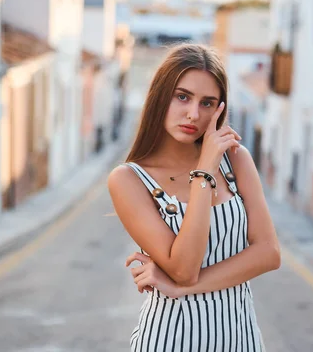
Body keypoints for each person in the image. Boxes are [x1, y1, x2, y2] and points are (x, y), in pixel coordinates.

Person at [107, 43, 281, 352]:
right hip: (170, 340)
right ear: (161, 96)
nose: (193, 114)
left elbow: (268, 253)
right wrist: (203, 173)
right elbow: (184, 268)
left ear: (220, 110)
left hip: (241, 340)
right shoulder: (129, 179)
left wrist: (179, 287)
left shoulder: (237, 161)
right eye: (182, 96)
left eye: (207, 103)